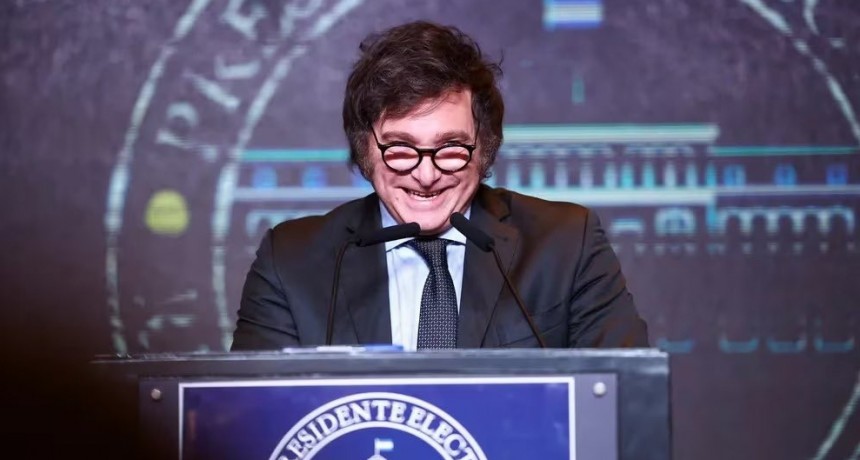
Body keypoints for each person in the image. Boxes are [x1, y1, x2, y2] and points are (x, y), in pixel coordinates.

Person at [231, 21, 648, 351]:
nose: (426, 175)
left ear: (484, 148)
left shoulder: (566, 245)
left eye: (450, 148)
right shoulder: (290, 261)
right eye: (400, 148)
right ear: (364, 150)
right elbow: (251, 417)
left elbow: (624, 401)